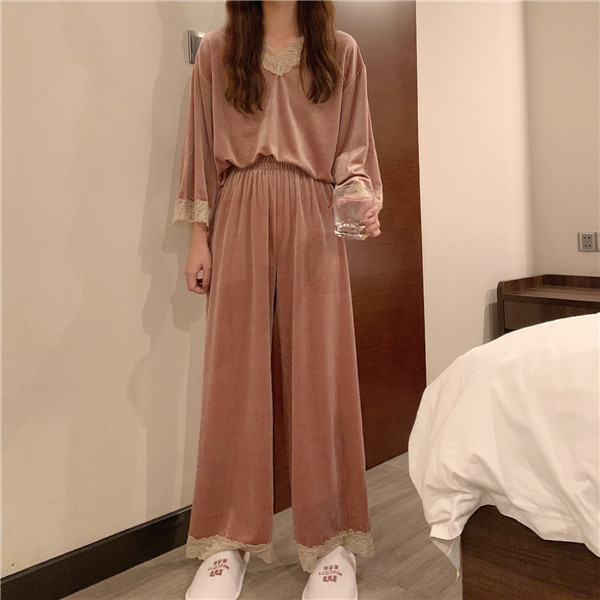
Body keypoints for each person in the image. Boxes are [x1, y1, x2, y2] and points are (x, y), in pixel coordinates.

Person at [172, 1, 383, 599]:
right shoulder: (218, 51)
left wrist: (359, 198)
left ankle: (332, 539)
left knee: (323, 374)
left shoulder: (340, 51)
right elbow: (200, 147)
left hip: (314, 214)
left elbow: (354, 150)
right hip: (238, 208)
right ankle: (225, 540)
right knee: (233, 376)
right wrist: (198, 238)